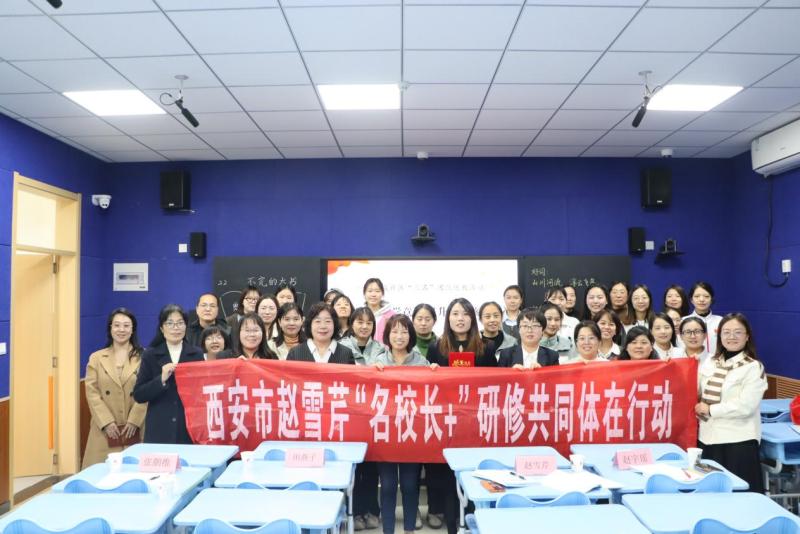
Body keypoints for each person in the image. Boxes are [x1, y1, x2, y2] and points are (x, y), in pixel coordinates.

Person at [425, 298, 496, 534]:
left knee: (472, 469)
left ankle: (473, 517)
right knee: (447, 472)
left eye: (465, 314)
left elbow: (498, 382)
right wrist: (432, 372)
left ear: (472, 319)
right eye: (455, 314)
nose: (460, 318)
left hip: (475, 420)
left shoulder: (486, 347)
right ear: (448, 318)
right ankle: (451, 520)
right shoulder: (437, 347)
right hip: (447, 419)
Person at [374, 315, 436, 534]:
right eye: (394, 331)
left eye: (404, 332)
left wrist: (435, 372)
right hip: (386, 433)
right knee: (388, 486)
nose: (399, 336)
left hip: (412, 432)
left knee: (410, 485)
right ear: (387, 335)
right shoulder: (378, 361)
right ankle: (388, 530)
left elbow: (432, 391)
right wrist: (372, 372)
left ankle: (409, 529)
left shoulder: (421, 362)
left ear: (411, 336)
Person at [696, 313, 767, 494]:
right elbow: (695, 389)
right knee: (710, 494)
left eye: (738, 332)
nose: (731, 337)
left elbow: (746, 406)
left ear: (747, 336)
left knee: (740, 495)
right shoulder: (710, 362)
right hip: (707, 438)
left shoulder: (753, 367)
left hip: (738, 441)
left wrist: (710, 409)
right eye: (726, 332)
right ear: (719, 336)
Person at [83, 308, 147, 468]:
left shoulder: (145, 356)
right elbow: (92, 393)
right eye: (117, 325)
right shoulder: (96, 358)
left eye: (126, 325)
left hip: (135, 427)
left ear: (133, 329)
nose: (121, 330)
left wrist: (134, 421)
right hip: (104, 430)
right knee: (101, 474)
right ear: (110, 328)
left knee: (134, 472)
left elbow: (147, 391)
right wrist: (106, 422)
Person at [134, 304, 204, 444]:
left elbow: (203, 390)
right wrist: (161, 379)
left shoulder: (196, 354)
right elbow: (139, 395)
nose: (175, 328)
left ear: (186, 326)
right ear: (162, 328)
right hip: (160, 428)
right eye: (170, 323)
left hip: (188, 428)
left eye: (180, 323)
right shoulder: (150, 355)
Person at [287, 302, 355, 364]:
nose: (323, 326)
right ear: (310, 325)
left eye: (328, 321)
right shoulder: (295, 353)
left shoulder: (346, 353)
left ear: (335, 324)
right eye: (318, 321)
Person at [687, 281, 723, 356]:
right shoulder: (684, 321)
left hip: (717, 361)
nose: (701, 299)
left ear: (711, 299)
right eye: (697, 296)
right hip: (692, 361)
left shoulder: (720, 321)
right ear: (691, 300)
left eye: (706, 296)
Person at [364, 278, 395, 343]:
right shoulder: (360, 315)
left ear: (382, 293)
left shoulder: (392, 315)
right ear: (364, 294)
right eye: (370, 291)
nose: (373, 294)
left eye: (377, 291)